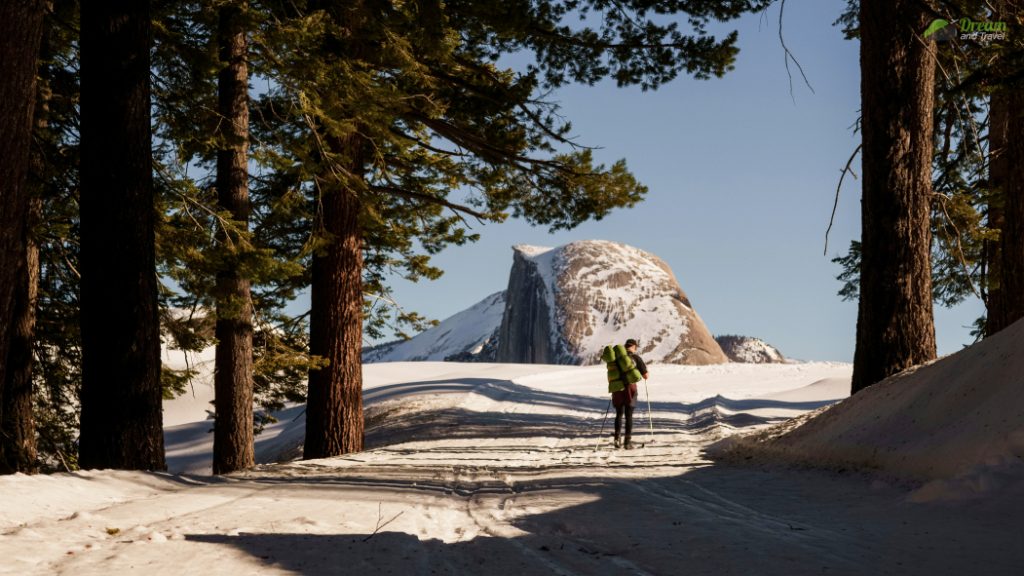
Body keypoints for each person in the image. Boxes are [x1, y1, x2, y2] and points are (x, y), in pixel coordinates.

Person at [612, 338, 648, 449]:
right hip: (630, 389)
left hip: (617, 389)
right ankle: (627, 442)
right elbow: (646, 376)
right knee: (628, 416)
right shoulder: (636, 358)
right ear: (634, 347)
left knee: (619, 414)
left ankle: (617, 439)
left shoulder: (617, 359)